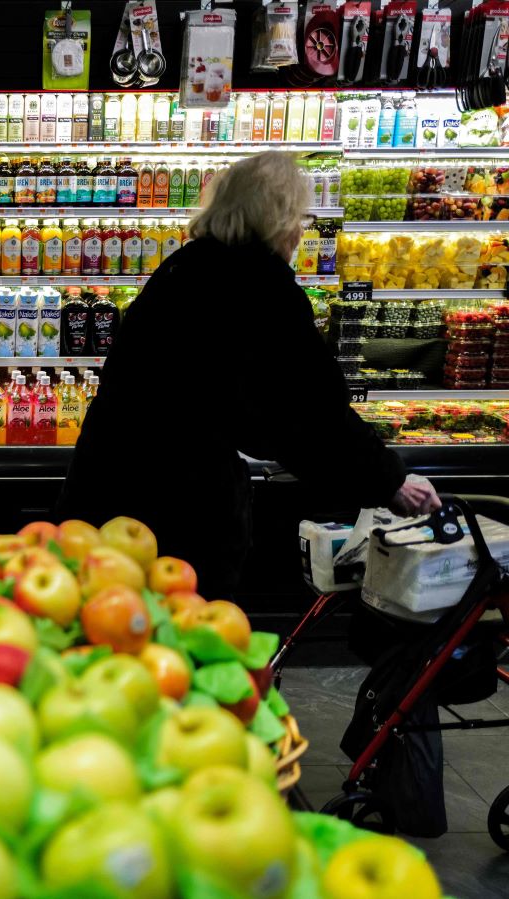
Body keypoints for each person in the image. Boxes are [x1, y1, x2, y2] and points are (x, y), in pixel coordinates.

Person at [55, 151, 440, 597]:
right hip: (176, 508)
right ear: (279, 219)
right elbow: (309, 413)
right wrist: (389, 481)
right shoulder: (262, 287)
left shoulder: (183, 267)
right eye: (301, 218)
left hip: (103, 485)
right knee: (180, 628)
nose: (301, 231)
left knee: (96, 617)